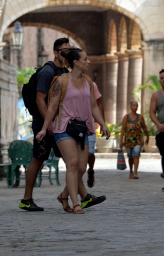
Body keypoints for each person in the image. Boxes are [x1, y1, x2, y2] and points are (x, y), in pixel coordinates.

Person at [36, 49, 110, 214]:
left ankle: (63, 195)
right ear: (76, 62)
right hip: (64, 127)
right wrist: (44, 128)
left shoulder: (88, 82)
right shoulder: (61, 82)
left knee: (82, 168)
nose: (88, 62)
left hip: (82, 128)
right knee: (73, 163)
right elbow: (52, 107)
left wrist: (103, 124)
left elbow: (93, 107)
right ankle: (76, 203)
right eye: (85, 59)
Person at [19, 38, 71, 212]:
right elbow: (40, 99)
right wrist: (47, 124)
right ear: (56, 52)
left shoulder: (65, 71)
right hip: (45, 124)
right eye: (64, 50)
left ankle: (79, 196)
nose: (67, 53)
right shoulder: (48, 72)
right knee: (38, 159)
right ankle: (26, 199)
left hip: (58, 124)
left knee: (72, 160)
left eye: (69, 50)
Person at [120, 101, 149, 179]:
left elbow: (144, 127)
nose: (135, 107)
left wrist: (147, 136)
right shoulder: (126, 117)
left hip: (138, 140)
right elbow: (123, 129)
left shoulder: (140, 117)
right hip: (128, 140)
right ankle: (131, 172)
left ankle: (135, 173)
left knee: (136, 155)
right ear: (130, 107)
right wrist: (121, 140)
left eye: (136, 106)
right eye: (133, 106)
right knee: (130, 156)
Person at [87, 89, 104, 188]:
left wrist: (102, 123)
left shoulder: (91, 85)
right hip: (75, 127)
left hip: (90, 126)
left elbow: (98, 105)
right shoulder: (68, 82)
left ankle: (90, 170)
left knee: (90, 153)